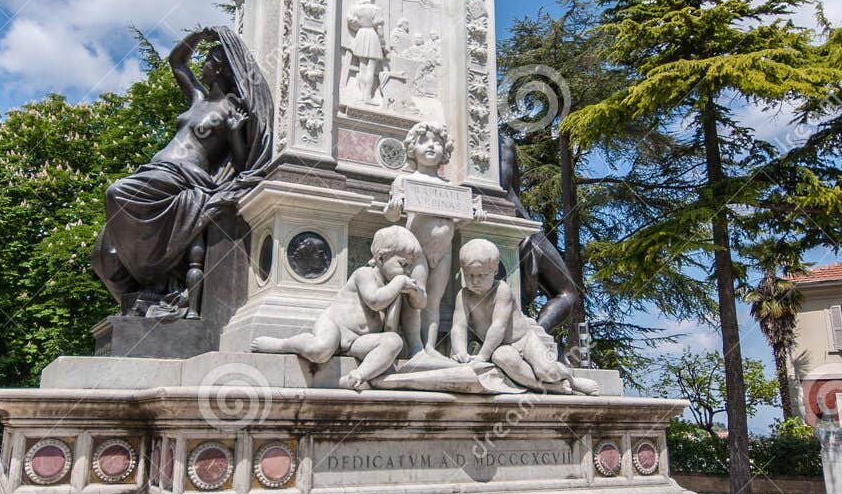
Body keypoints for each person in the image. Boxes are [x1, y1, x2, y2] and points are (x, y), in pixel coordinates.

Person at [91, 27, 271, 318]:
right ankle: (141, 295)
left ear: (222, 69)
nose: (205, 66)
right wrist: (199, 34)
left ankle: (149, 271)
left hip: (185, 175)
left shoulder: (231, 108)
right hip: (157, 170)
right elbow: (177, 62)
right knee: (104, 253)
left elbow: (242, 162)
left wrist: (236, 133)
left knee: (117, 192)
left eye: (210, 62)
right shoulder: (198, 98)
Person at [252, 226, 424, 389]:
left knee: (394, 341)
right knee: (320, 350)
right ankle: (283, 344)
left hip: (357, 341)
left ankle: (356, 377)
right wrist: (399, 282)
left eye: (409, 267)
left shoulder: (395, 286)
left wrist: (414, 291)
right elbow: (375, 301)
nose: (406, 272)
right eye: (402, 264)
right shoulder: (364, 274)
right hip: (336, 326)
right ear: (380, 258)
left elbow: (419, 305)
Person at [451, 239, 598, 393]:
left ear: (495, 270)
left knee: (547, 371)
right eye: (469, 275)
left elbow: (498, 326)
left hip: (523, 339)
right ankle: (550, 388)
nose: (475, 281)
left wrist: (482, 357)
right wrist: (460, 352)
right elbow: (458, 327)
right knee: (503, 358)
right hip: (500, 347)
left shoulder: (502, 290)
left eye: (481, 275)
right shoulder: (464, 296)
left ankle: (572, 379)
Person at [384, 121, 478, 354]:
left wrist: (473, 216)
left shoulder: (451, 187)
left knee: (434, 301)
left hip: (443, 251)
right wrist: (394, 207)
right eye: (424, 141)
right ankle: (415, 346)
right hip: (417, 250)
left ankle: (429, 346)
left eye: (437, 142)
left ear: (444, 152)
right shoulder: (404, 181)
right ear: (412, 148)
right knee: (418, 297)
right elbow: (391, 215)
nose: (431, 146)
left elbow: (456, 221)